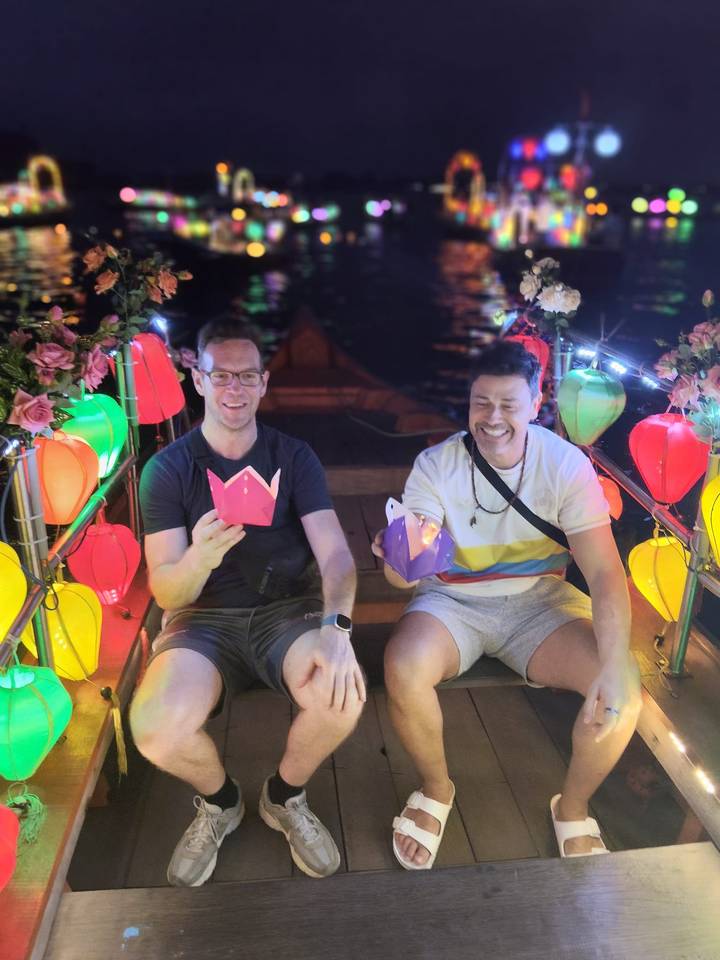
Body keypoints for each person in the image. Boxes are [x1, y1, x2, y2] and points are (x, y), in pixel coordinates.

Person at [373, 340, 642, 869]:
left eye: (508, 405)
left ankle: (573, 806)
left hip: (541, 605)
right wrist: (399, 554)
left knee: (623, 693)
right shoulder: (435, 464)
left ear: (536, 402)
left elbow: (607, 575)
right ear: (469, 402)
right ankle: (436, 789)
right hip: (451, 600)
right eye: (481, 403)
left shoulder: (564, 465)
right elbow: (401, 577)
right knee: (403, 666)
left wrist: (612, 667)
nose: (492, 418)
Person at [130, 318, 365, 886]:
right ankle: (221, 802)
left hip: (288, 610)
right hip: (201, 621)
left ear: (262, 384)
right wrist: (199, 558)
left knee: (342, 696)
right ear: (199, 381)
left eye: (246, 376)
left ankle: (283, 796)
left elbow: (335, 557)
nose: (233, 388)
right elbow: (167, 592)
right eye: (221, 375)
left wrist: (337, 632)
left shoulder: (294, 456)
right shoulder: (167, 470)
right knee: (155, 730)